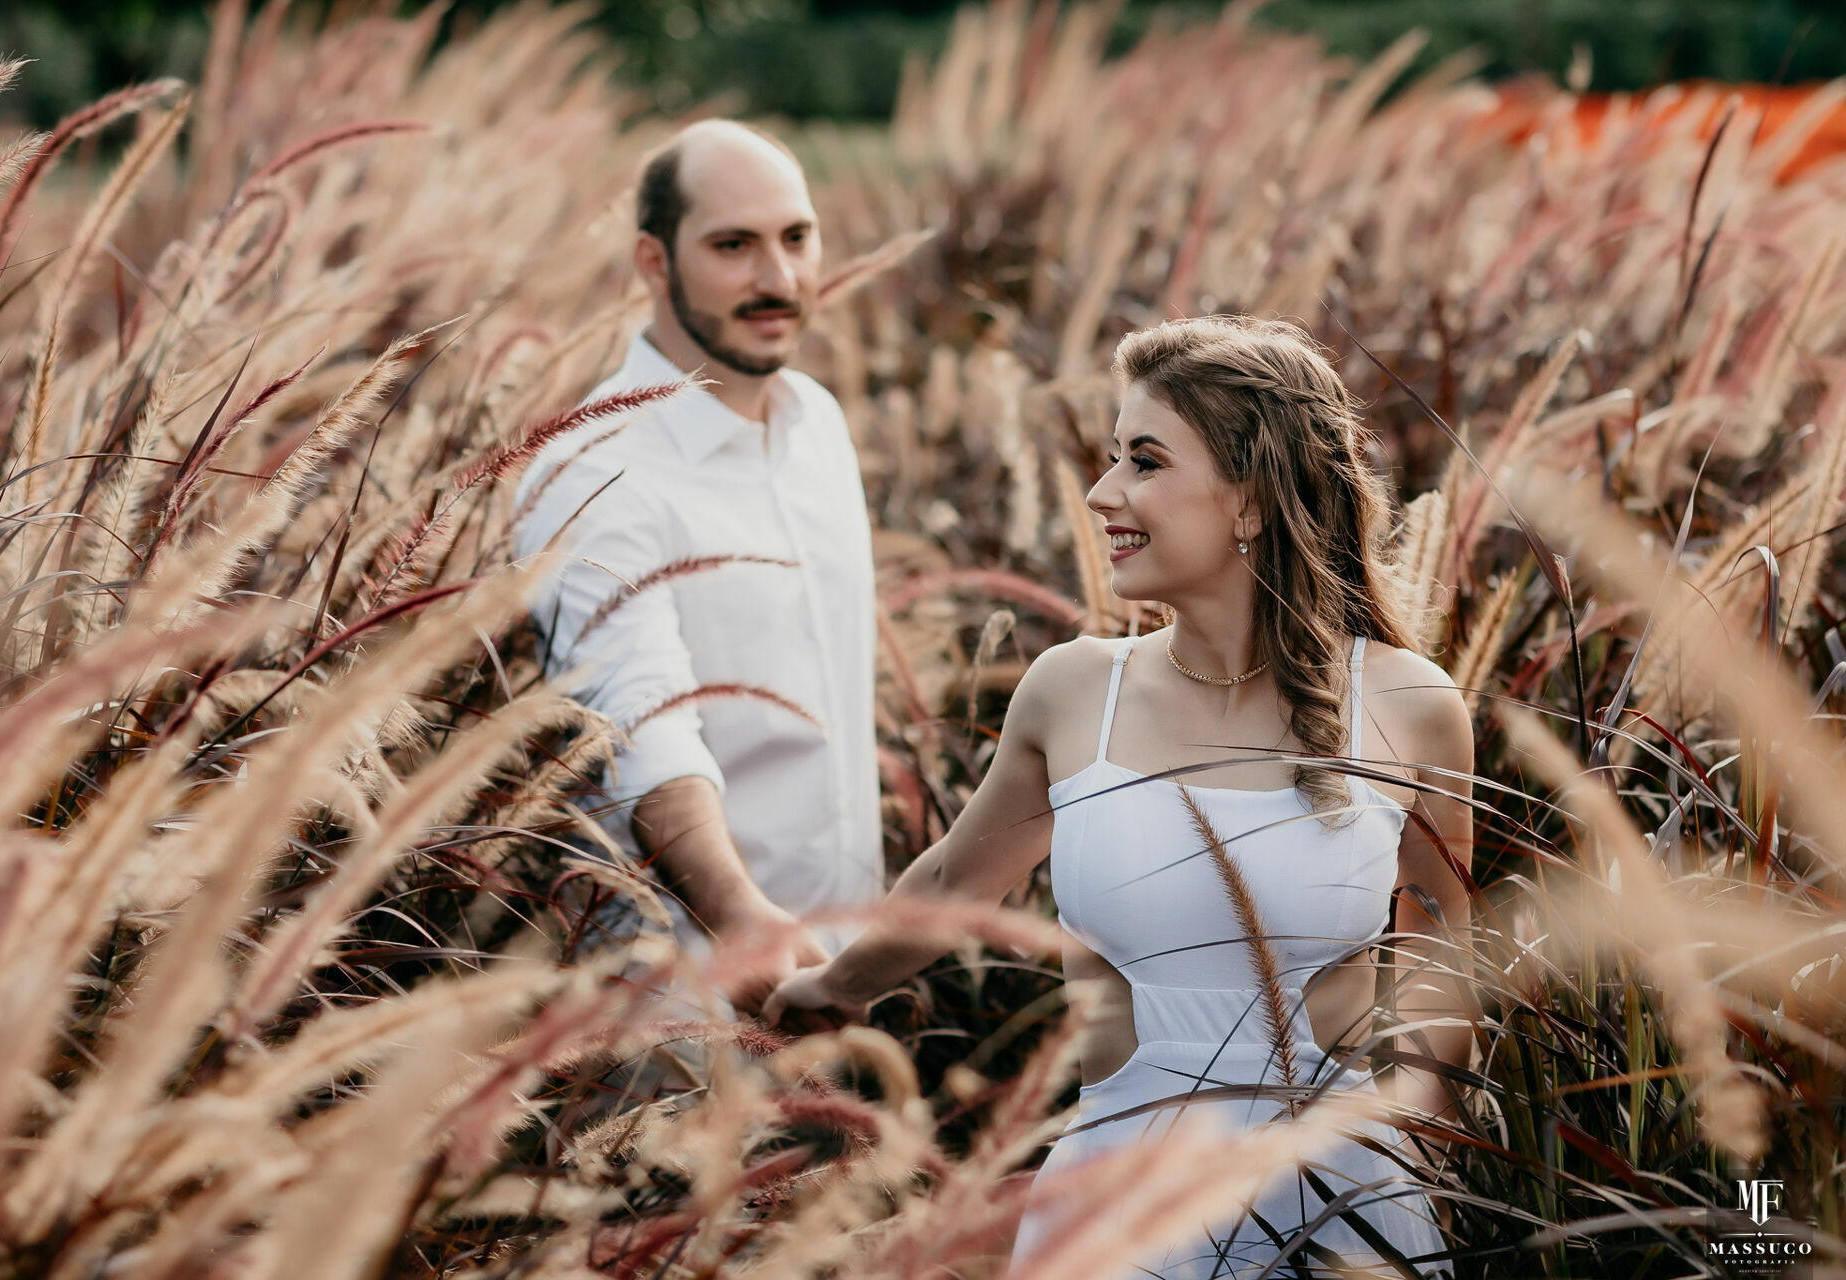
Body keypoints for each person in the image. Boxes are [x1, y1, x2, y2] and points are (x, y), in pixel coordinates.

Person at [764, 315, 1473, 1277]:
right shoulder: (1073, 692)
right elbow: (954, 882)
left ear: (1252, 501)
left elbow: (1441, 951)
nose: (1102, 494)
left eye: (1144, 460)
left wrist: (1416, 1136)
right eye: (1109, 460)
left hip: (1333, 1205)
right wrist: (832, 988)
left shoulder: (1411, 706)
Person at [513, 120, 882, 1018]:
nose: (780, 279)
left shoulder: (816, 424)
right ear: (653, 259)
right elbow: (639, 719)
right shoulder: (592, 469)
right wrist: (738, 914)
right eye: (733, 246)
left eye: (797, 239)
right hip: (682, 998)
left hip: (842, 970)